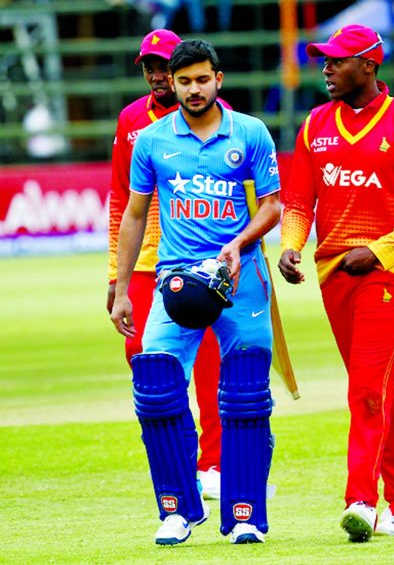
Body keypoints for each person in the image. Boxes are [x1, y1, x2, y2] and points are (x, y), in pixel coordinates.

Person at [110, 39, 281, 546]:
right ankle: (177, 511)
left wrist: (239, 243)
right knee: (156, 387)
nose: (192, 89)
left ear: (218, 79)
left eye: (202, 79)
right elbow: (135, 214)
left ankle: (245, 513)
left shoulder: (250, 132)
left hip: (242, 278)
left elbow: (273, 206)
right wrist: (120, 289)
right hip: (175, 281)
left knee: (247, 394)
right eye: (183, 81)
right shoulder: (152, 139)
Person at [277, 24, 394, 543]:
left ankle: (362, 500)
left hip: (389, 270)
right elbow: (299, 201)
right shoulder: (315, 124)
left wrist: (381, 251)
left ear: (369, 65)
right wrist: (291, 246)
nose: (326, 68)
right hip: (332, 274)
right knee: (378, 386)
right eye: (324, 60)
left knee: (364, 386)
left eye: (337, 61)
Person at [107, 29, 227, 501]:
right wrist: (114, 275)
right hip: (144, 262)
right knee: (146, 360)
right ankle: (177, 457)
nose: (157, 75)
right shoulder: (132, 120)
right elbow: (122, 200)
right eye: (150, 68)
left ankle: (215, 464)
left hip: (201, 259)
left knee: (212, 367)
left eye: (164, 67)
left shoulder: (221, 118)